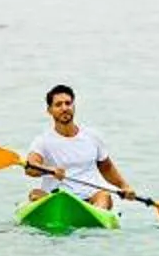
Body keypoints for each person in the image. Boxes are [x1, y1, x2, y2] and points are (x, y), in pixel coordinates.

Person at [23, 85, 132, 213]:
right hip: (56, 198)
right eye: (58, 105)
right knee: (35, 193)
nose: (64, 108)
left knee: (104, 195)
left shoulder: (92, 136)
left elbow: (107, 168)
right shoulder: (42, 141)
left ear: (74, 107)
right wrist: (49, 170)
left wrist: (124, 186)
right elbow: (30, 168)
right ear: (49, 110)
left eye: (68, 103)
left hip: (89, 199)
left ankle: (94, 214)